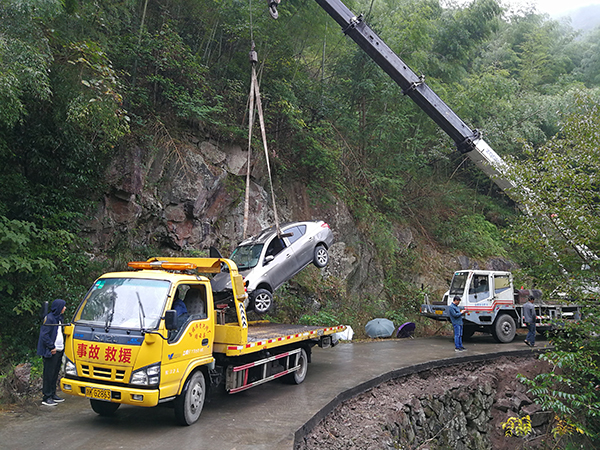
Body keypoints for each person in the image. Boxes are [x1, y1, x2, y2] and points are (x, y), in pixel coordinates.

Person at [37, 299, 66, 406]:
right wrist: (51, 346)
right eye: (63, 306)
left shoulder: (59, 318)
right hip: (51, 351)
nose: (65, 308)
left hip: (59, 349)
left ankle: (53, 394)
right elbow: (44, 335)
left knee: (55, 373)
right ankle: (46, 396)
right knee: (48, 373)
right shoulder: (49, 318)